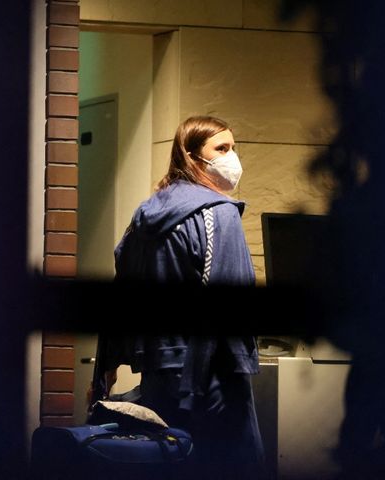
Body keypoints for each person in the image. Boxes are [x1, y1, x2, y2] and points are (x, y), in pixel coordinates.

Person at [92, 115, 266, 479]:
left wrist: (104, 372)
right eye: (221, 149)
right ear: (191, 157)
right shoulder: (219, 214)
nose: (232, 158)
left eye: (233, 148)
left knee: (170, 463)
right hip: (211, 375)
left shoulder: (145, 215)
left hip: (158, 373)